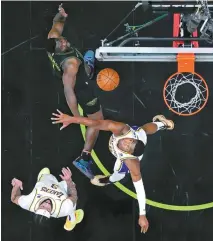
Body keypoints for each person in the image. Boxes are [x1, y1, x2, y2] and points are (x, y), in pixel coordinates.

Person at [50, 109, 175, 233]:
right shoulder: (122, 129)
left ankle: (108, 180)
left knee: (118, 173)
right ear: (131, 139)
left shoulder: (131, 162)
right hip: (137, 133)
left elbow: (140, 188)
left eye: (127, 147)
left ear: (128, 153)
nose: (125, 143)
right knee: (143, 130)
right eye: (129, 141)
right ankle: (162, 123)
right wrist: (71, 119)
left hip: (129, 156)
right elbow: (96, 123)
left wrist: (142, 215)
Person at [45, 4, 103, 177]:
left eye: (61, 40)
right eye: (62, 44)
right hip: (81, 89)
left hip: (74, 73)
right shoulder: (71, 65)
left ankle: (89, 66)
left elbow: (57, 22)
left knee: (88, 57)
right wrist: (76, 117)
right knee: (97, 121)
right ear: (58, 50)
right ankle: (84, 157)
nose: (64, 41)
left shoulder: (53, 37)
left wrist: (60, 14)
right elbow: (68, 91)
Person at [11, 167, 84, 231]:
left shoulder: (28, 203)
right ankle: (71, 220)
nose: (47, 203)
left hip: (47, 181)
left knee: (45, 175)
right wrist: (68, 180)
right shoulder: (64, 209)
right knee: (71, 206)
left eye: (42, 206)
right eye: (48, 209)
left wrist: (16, 186)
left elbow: (14, 198)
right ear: (50, 213)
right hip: (63, 190)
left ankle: (42, 177)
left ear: (36, 208)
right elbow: (74, 196)